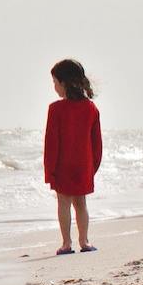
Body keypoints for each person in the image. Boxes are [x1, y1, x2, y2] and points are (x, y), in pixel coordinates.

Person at [44, 59, 103, 255]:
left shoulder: (55, 109)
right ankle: (84, 241)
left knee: (63, 203)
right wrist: (93, 167)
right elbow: (97, 143)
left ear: (65, 83)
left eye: (55, 82)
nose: (54, 87)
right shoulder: (91, 108)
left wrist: (49, 170)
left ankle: (67, 243)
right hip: (84, 165)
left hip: (63, 166)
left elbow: (51, 144)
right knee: (81, 204)